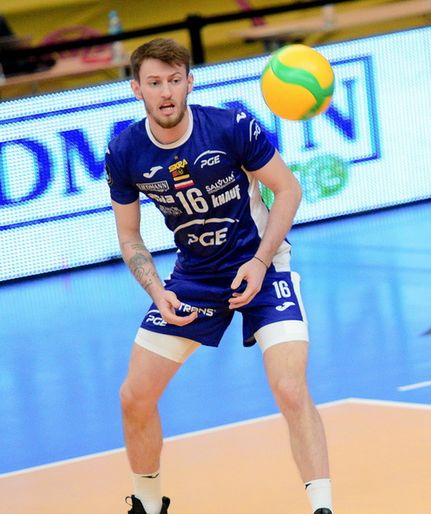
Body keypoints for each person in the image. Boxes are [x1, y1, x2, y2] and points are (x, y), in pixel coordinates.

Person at [105, 38, 333, 514]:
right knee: (134, 396)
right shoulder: (124, 151)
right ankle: (148, 504)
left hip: (262, 265)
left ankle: (323, 507)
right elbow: (129, 235)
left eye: (174, 80)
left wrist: (261, 261)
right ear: (136, 89)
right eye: (154, 83)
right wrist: (157, 290)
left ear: (190, 82)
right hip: (194, 277)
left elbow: (288, 190)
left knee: (290, 388)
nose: (166, 92)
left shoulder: (231, 127)